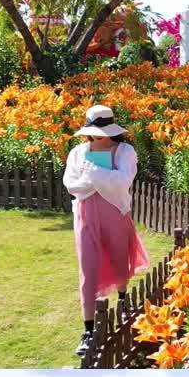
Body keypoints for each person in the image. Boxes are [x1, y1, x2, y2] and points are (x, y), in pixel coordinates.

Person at [62, 105, 150, 357]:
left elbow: (123, 182)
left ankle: (122, 300)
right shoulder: (78, 153)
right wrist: (100, 179)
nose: (97, 135)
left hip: (116, 214)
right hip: (86, 217)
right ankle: (88, 330)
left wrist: (93, 175)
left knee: (120, 261)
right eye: (93, 131)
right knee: (87, 270)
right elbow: (72, 185)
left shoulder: (125, 151)